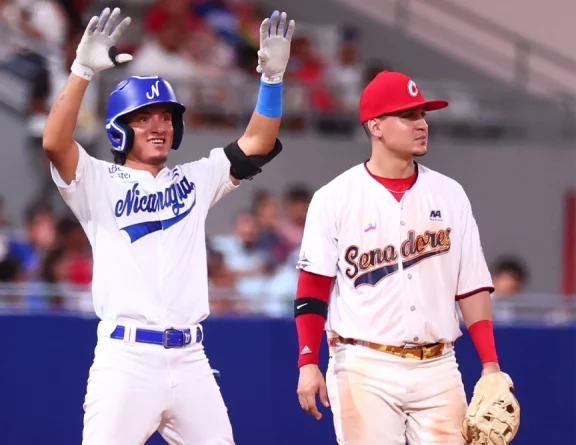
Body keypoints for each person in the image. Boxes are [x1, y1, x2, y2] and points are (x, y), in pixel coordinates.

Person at [42, 6, 294, 444]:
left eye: (165, 116)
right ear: (121, 128)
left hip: (191, 358)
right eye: (144, 117)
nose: (158, 125)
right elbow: (54, 142)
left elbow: (258, 142)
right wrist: (82, 70)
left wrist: (271, 82)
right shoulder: (98, 180)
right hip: (126, 357)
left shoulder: (195, 177)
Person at [292, 71, 519, 444]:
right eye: (409, 115)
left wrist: (490, 365)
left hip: (439, 365)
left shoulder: (449, 194)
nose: (422, 124)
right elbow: (313, 286)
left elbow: (472, 286)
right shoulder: (336, 197)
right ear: (376, 126)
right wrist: (307, 361)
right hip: (364, 365)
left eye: (423, 115)